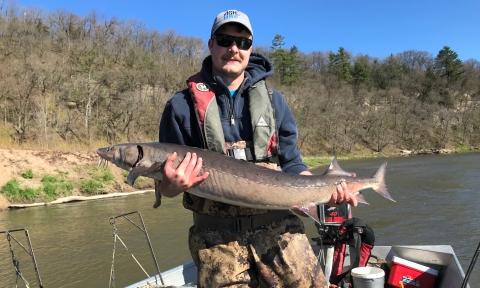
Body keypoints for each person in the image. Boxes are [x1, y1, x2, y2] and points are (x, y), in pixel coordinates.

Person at [158, 9, 357, 288]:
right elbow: (165, 189)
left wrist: (323, 194)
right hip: (215, 240)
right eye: (225, 39)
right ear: (211, 44)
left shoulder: (276, 102)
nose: (233, 49)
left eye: (242, 42)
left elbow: (293, 165)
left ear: (251, 49)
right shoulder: (179, 107)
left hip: (281, 232)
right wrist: (172, 185)